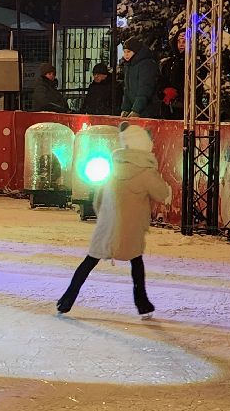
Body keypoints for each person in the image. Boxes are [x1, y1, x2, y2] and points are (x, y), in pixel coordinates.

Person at [56, 124, 171, 318]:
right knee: (136, 262)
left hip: (108, 226)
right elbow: (162, 193)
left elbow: (98, 198)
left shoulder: (113, 167)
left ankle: (67, 299)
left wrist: (104, 218)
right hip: (131, 228)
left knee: (90, 260)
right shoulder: (145, 172)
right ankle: (142, 304)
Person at [120, 37, 161, 118]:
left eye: (129, 52)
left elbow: (145, 89)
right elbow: (127, 90)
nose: (126, 54)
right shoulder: (129, 65)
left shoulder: (146, 64)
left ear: (136, 51)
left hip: (148, 110)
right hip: (137, 109)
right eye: (124, 52)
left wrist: (136, 110)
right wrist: (126, 109)